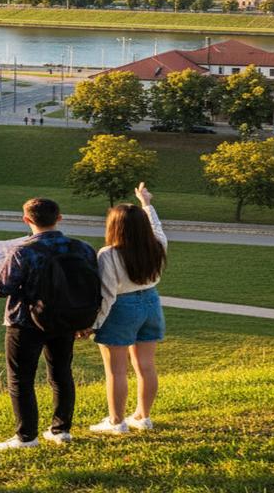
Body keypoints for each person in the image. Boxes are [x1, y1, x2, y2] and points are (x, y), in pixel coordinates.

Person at [0, 197, 99, 450]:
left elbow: (1, 288)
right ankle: (61, 430)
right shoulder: (82, 248)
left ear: (26, 220)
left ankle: (26, 436)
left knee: (20, 378)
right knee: (61, 373)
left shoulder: (23, 251)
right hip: (66, 318)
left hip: (25, 320)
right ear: (59, 218)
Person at [83, 182, 167, 434]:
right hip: (152, 302)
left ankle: (116, 422)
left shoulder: (108, 254)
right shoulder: (157, 246)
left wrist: (94, 324)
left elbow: (107, 294)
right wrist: (146, 204)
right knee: (146, 367)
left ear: (115, 227)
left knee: (116, 371)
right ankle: (143, 416)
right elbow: (158, 229)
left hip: (122, 307)